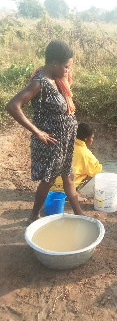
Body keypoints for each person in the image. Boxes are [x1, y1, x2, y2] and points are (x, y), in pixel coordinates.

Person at [5, 40, 84, 224]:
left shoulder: (56, 79)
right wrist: (38, 132)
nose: (68, 71)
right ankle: (33, 215)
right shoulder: (39, 83)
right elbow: (13, 106)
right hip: (51, 142)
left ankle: (79, 213)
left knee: (69, 175)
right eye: (66, 67)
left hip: (64, 141)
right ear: (55, 63)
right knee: (48, 180)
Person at [51, 123, 102, 192]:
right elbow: (97, 171)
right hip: (65, 190)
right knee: (93, 172)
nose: (92, 140)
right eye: (92, 138)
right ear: (86, 139)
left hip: (49, 186)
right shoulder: (85, 154)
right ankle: (73, 193)